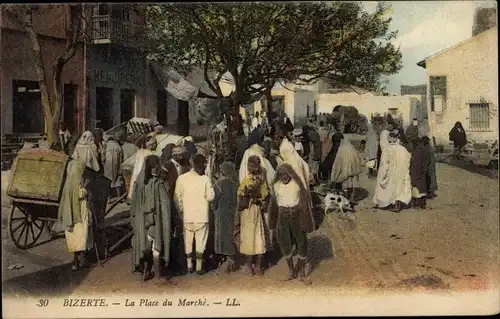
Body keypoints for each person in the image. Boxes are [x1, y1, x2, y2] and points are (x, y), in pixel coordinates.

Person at [269, 163, 314, 283]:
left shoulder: (297, 184)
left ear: (290, 173)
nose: (284, 176)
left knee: (301, 241)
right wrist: (272, 222)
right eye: (281, 174)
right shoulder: (276, 185)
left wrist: (305, 219)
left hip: (296, 215)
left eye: (286, 174)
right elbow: (273, 205)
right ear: (278, 175)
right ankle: (291, 270)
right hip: (282, 216)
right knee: (284, 242)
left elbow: (305, 203)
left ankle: (302, 271)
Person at [130, 155, 172, 282]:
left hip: (141, 220)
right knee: (156, 246)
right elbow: (165, 205)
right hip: (153, 220)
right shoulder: (158, 184)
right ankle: (158, 276)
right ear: (156, 166)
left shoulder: (139, 182)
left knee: (145, 245)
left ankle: (146, 271)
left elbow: (133, 204)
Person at [174, 154, 215, 275]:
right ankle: (198, 267)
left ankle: (189, 265)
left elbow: (176, 198)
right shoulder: (205, 180)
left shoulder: (182, 178)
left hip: (187, 217)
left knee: (188, 240)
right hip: (201, 217)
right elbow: (210, 196)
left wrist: (182, 210)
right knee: (200, 242)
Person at [236, 155, 270, 276]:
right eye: (249, 165)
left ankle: (253, 267)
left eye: (252, 165)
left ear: (256, 167)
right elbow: (264, 195)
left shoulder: (253, 181)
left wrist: (254, 197)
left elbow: (264, 195)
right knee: (254, 238)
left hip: (252, 211)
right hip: (252, 211)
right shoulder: (254, 180)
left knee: (254, 238)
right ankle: (254, 267)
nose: (250, 167)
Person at [58, 160, 93, 271]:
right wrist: (86, 187)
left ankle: (75, 261)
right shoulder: (77, 182)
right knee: (82, 235)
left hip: (70, 214)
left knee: (73, 237)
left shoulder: (68, 182)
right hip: (79, 213)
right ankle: (82, 260)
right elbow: (80, 194)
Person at [162, 145, 191, 274]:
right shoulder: (167, 166)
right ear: (175, 155)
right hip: (171, 202)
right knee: (173, 229)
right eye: (181, 155)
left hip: (184, 201)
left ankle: (182, 258)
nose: (182, 157)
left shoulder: (186, 165)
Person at [372, 131, 412, 212]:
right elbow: (408, 160)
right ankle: (397, 205)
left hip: (391, 172)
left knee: (389, 188)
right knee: (399, 188)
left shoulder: (387, 149)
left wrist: (382, 175)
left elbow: (384, 164)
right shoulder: (403, 149)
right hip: (402, 171)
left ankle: (387, 203)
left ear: (390, 139)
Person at [210, 161, 238, 273]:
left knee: (223, 237)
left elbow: (213, 202)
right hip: (233, 213)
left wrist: (214, 209)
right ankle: (232, 259)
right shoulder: (236, 184)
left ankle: (228, 261)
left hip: (221, 215)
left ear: (222, 171)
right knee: (232, 235)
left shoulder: (218, 185)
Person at [127, 135, 157, 201]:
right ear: (151, 145)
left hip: (136, 175)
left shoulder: (139, 152)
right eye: (155, 143)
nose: (156, 145)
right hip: (144, 175)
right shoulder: (150, 154)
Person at [410, 137, 431, 209]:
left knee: (416, 187)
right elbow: (428, 160)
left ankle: (416, 203)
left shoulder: (416, 150)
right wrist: (424, 169)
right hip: (422, 171)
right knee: (422, 188)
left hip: (416, 171)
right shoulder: (424, 148)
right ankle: (422, 203)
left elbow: (414, 162)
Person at [103, 135, 124, 199]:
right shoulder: (118, 146)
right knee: (117, 180)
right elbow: (121, 156)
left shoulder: (106, 145)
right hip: (116, 165)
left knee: (108, 181)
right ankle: (118, 196)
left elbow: (103, 155)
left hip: (107, 165)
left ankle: (109, 198)